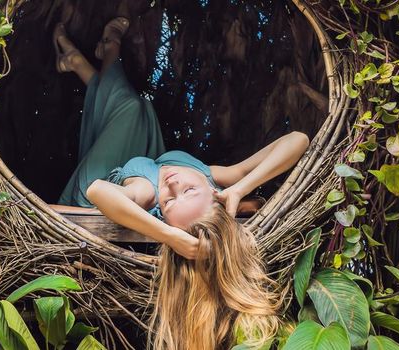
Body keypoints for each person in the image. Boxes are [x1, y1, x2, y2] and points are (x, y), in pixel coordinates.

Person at [46, 5, 310, 349]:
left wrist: (169, 235)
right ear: (212, 190)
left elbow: (99, 191)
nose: (171, 183)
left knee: (133, 109)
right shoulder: (214, 177)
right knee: (137, 112)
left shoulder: (147, 193)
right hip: (143, 153)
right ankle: (79, 62)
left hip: (90, 187)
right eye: (187, 188)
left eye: (171, 199)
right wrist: (240, 188)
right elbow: (298, 141)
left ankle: (105, 49)